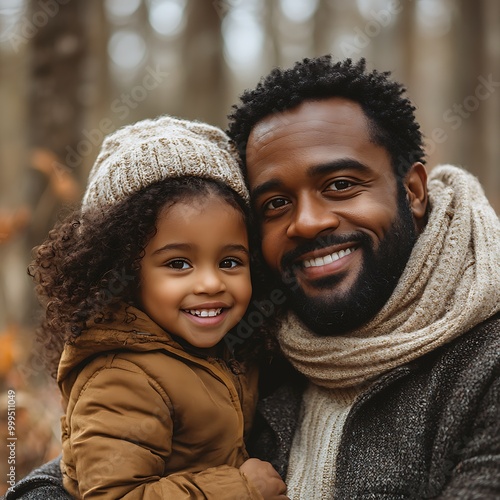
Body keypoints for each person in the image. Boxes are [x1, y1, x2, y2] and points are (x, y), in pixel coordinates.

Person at [226, 56, 500, 498]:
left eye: (340, 185)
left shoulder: (487, 365)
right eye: (275, 204)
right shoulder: (246, 354)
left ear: (411, 191)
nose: (308, 223)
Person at [8, 116, 287, 499]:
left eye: (230, 262)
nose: (210, 283)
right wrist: (240, 488)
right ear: (122, 272)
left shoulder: (230, 347)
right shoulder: (121, 376)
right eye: (178, 264)